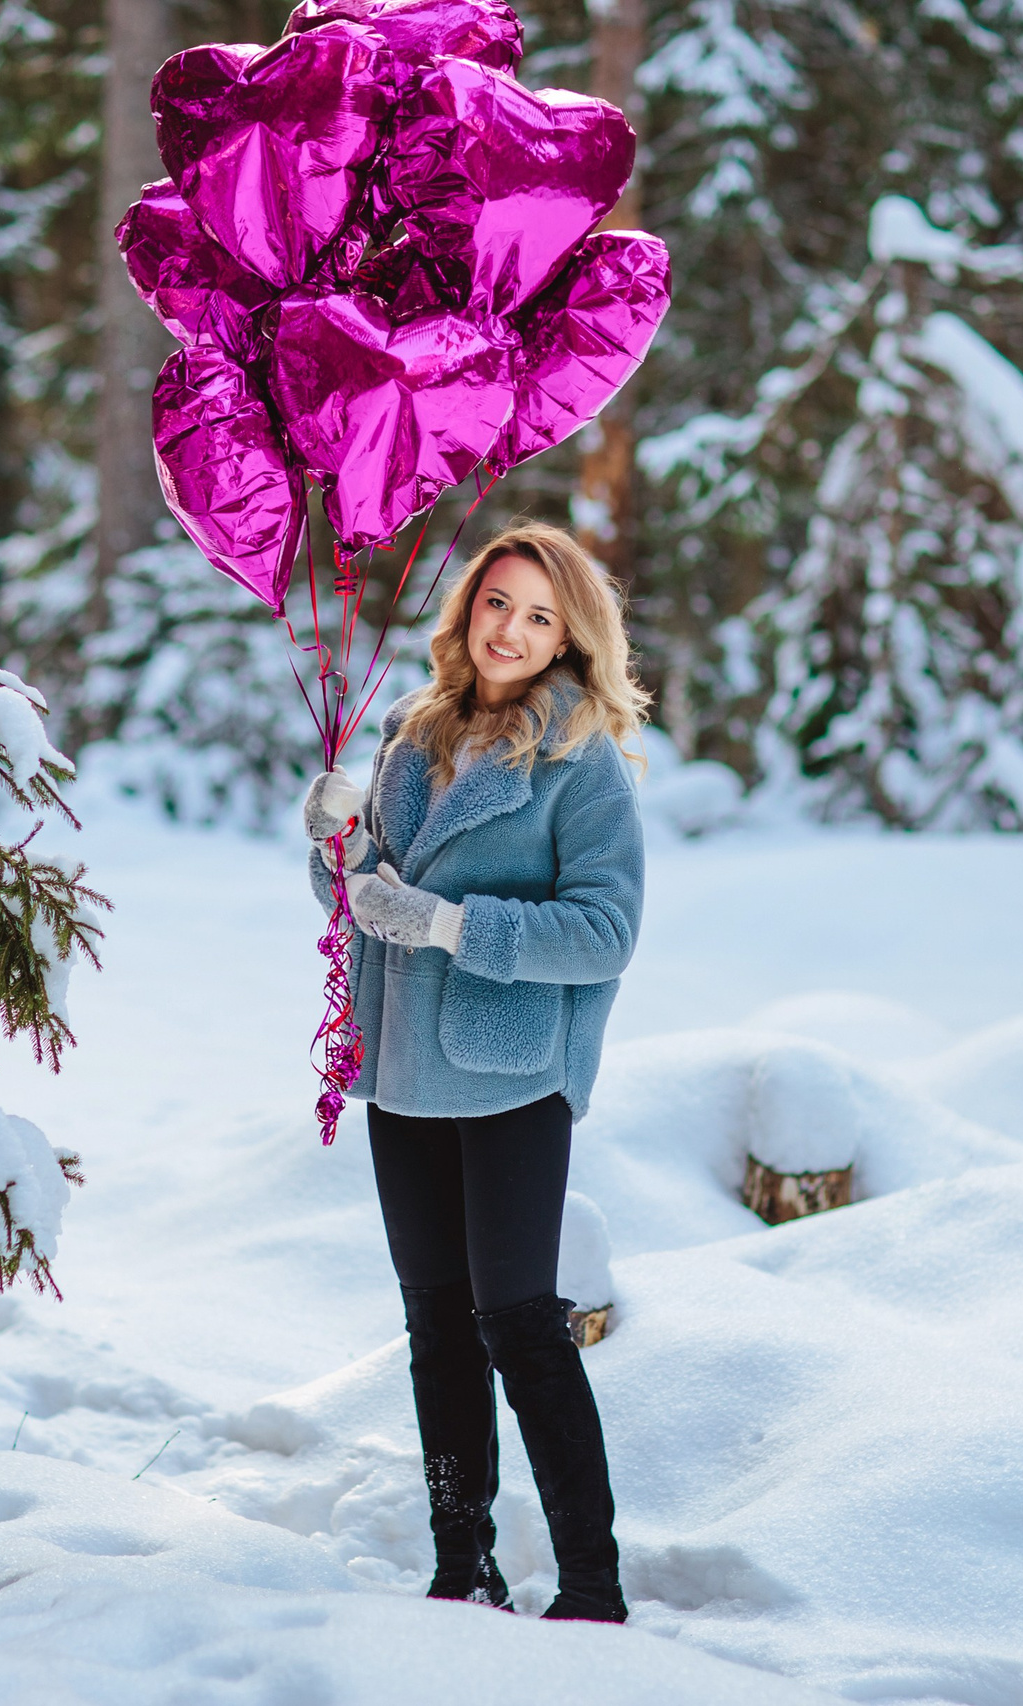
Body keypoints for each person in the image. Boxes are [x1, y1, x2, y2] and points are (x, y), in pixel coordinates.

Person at [301, 521, 649, 1623]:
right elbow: (366, 905)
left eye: (539, 615)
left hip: (507, 1078)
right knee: (436, 1328)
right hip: (402, 1074)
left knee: (519, 1325)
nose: (512, 628)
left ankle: (591, 1583)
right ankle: (464, 1562)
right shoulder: (415, 734)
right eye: (498, 602)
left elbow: (603, 930)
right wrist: (336, 852)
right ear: (469, 609)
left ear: (568, 639)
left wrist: (453, 923)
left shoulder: (580, 757)